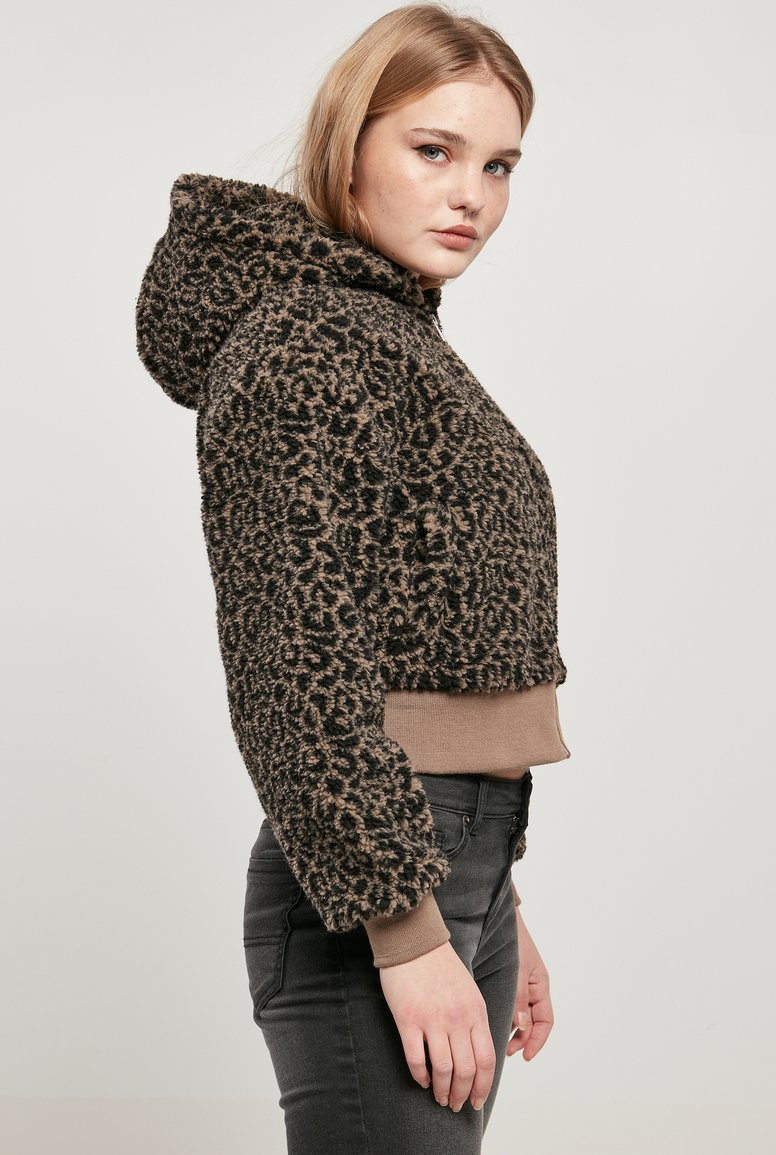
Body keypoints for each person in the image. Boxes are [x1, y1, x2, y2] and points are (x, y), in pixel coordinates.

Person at [135, 3, 571, 1152]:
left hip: (441, 866)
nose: (469, 195)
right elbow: (295, 666)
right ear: (346, 149)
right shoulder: (302, 348)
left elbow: (420, 644)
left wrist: (494, 902)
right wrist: (407, 929)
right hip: (375, 888)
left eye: (497, 165)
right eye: (432, 150)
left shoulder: (389, 339)